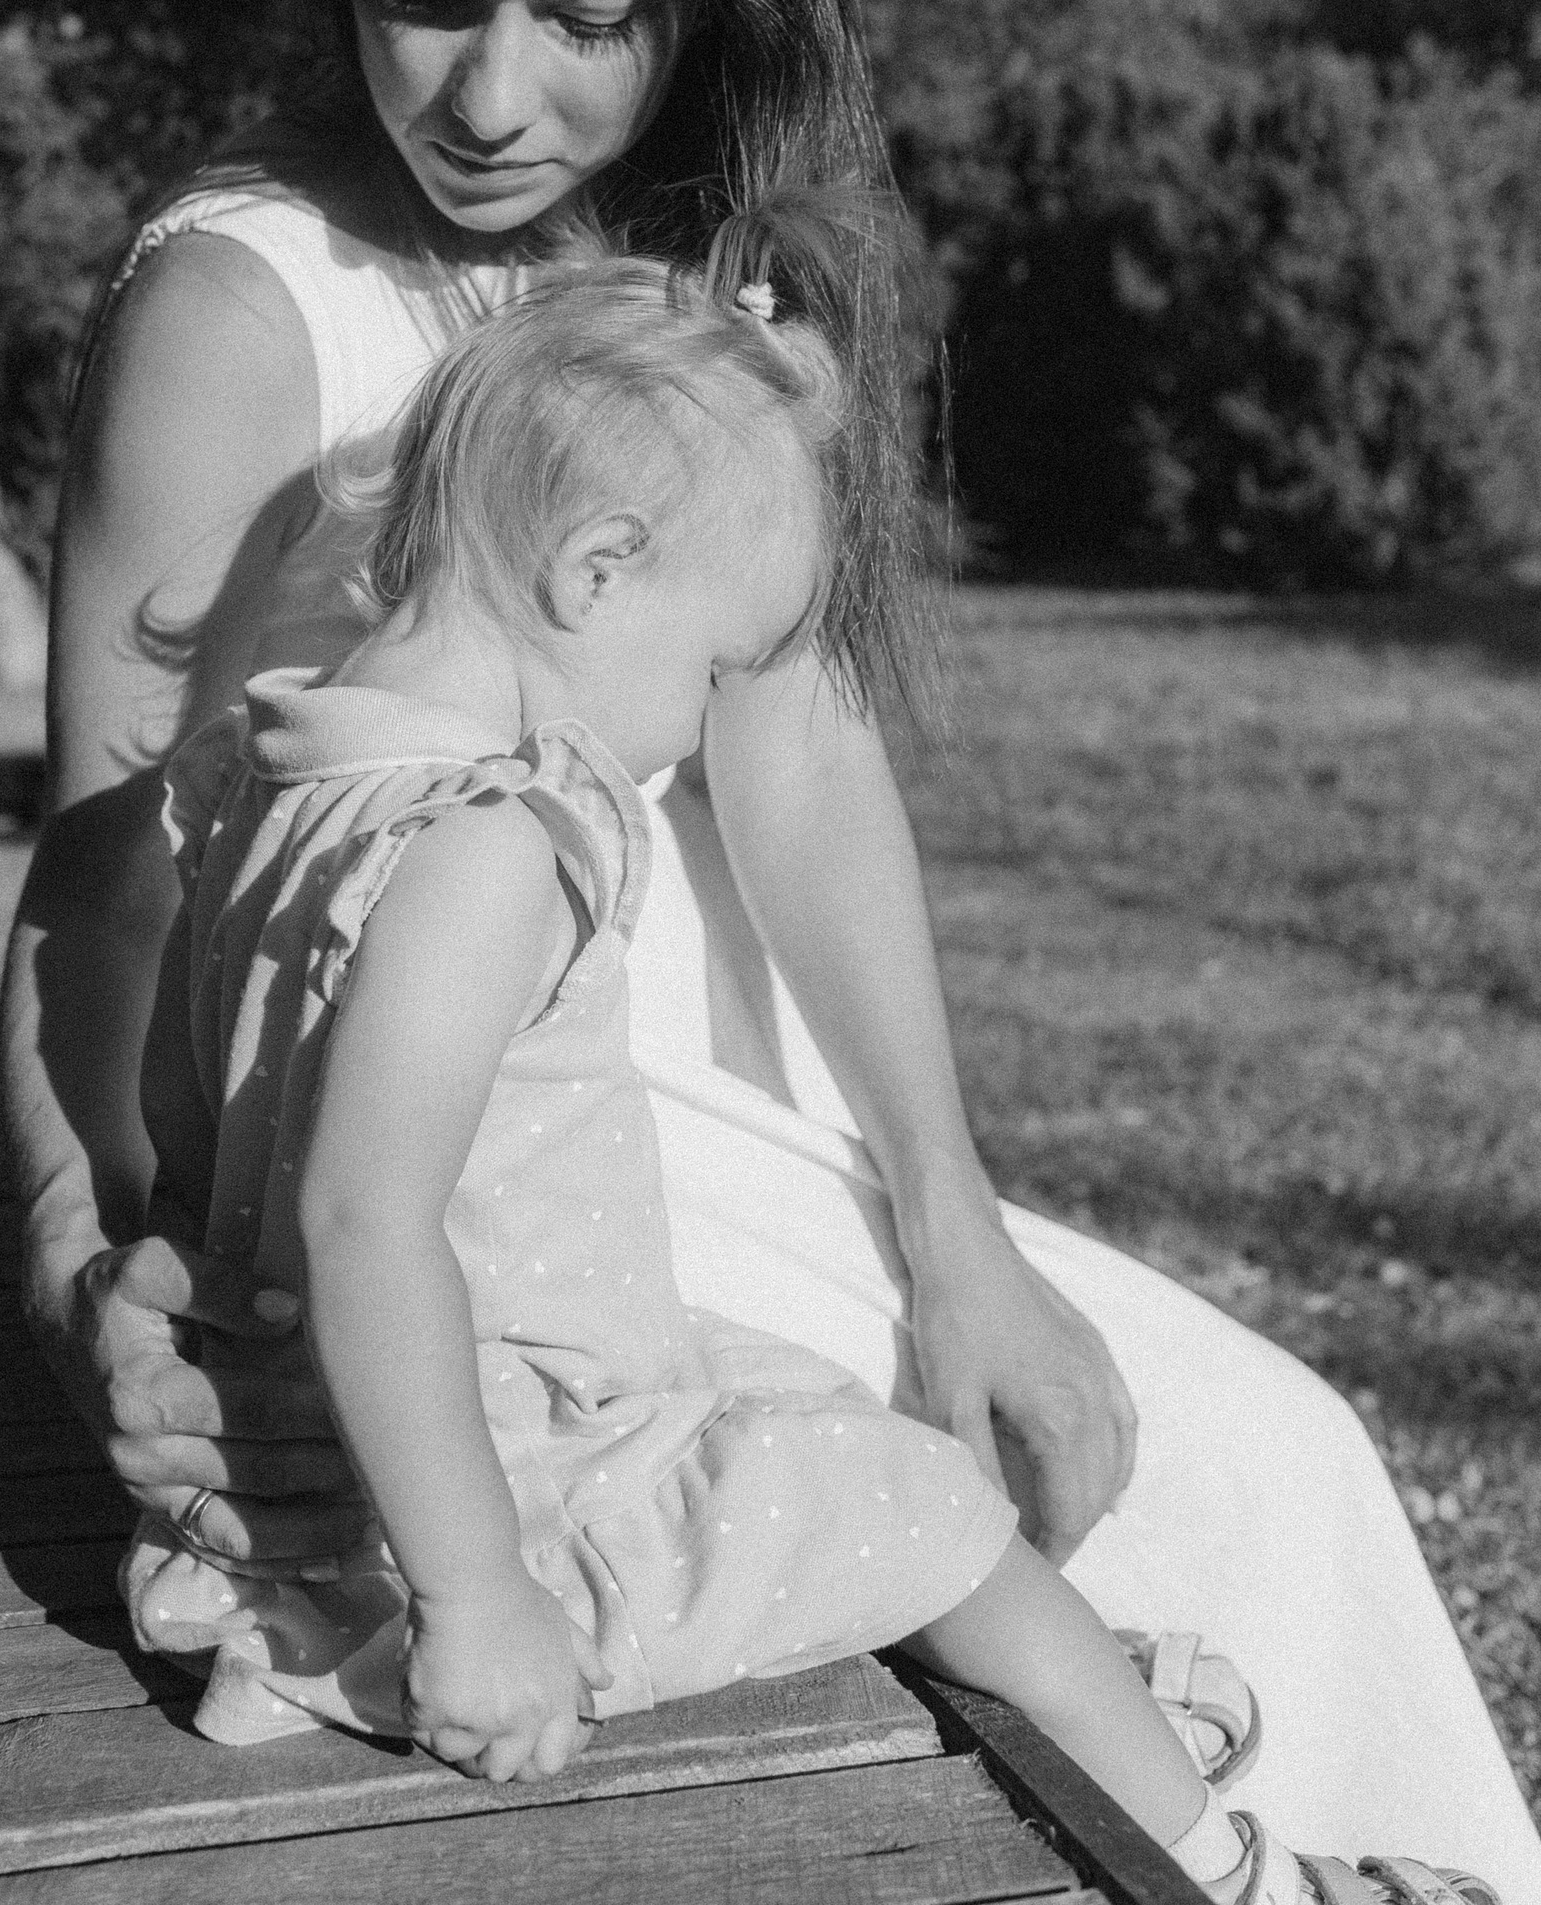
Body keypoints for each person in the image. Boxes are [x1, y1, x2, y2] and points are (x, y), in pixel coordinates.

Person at [0, 0, 1541, 1888]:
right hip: (480, 1165)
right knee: (1175, 1491)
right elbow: (104, 887)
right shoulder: (244, 308)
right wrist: (88, 1265)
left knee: (1254, 1453)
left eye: (585, 15)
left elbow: (798, 759)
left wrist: (955, 1219)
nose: (492, 96)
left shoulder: (707, 271)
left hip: (719, 1107)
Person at [120, 231, 1499, 1905]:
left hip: (339, 1471)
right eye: (718, 667)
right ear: (598, 571)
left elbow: (191, 1118)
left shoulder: (264, 776)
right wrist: (478, 1603)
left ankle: (1101, 1707)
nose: (703, 722)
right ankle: (1235, 1872)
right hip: (482, 1517)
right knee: (928, 1508)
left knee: (801, 1398)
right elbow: (365, 1223)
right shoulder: (486, 839)